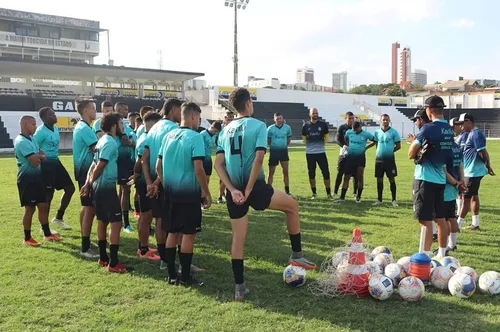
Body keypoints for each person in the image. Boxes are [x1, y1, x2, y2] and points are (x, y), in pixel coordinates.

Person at [215, 88, 316, 301]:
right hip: (256, 187)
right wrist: (250, 189)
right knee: (292, 206)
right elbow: (259, 158)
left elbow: (218, 164)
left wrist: (233, 190)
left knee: (238, 238)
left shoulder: (225, 130)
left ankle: (239, 288)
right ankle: (296, 254)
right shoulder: (259, 125)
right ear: (249, 103)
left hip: (234, 190)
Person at [157, 102, 211, 286]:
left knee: (172, 232)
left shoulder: (168, 136)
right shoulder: (195, 138)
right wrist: (205, 191)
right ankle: (186, 276)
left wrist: (167, 185)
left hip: (170, 194)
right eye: (199, 118)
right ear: (194, 116)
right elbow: (199, 169)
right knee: (188, 234)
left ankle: (172, 275)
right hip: (188, 195)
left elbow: (158, 167)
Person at [80, 112, 133, 273]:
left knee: (102, 221)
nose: (123, 127)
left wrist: (89, 183)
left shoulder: (102, 140)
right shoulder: (109, 142)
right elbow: (100, 165)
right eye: (121, 124)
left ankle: (103, 258)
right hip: (106, 189)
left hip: (98, 187)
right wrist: (88, 183)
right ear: (113, 126)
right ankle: (114, 263)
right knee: (115, 224)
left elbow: (93, 165)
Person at [408, 96, 454, 259]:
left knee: (425, 220)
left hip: (425, 178)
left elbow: (411, 153)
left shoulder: (428, 128)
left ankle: (424, 257)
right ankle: (441, 255)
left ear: (429, 110)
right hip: (441, 179)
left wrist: (417, 151)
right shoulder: (449, 129)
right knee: (440, 218)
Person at [142, 98, 182, 268]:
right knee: (175, 223)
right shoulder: (173, 129)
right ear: (173, 110)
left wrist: (150, 182)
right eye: (181, 110)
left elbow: (144, 159)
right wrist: (158, 182)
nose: (182, 114)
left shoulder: (152, 129)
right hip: (168, 182)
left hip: (154, 181)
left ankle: (164, 260)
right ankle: (178, 259)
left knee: (159, 220)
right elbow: (167, 160)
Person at [15, 116, 62, 246]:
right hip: (26, 179)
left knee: (43, 205)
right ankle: (27, 237)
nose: (36, 127)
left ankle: (47, 234)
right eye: (33, 124)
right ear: (24, 125)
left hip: (36, 178)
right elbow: (35, 162)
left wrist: (39, 156)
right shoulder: (21, 141)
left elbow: (42, 155)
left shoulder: (32, 139)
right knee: (29, 209)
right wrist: (40, 157)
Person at [33, 107, 75, 231]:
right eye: (51, 115)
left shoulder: (55, 129)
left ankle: (58, 218)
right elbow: (33, 146)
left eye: (54, 113)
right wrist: (41, 158)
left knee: (70, 188)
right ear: (44, 118)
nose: (54, 116)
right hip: (46, 165)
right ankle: (44, 227)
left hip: (56, 162)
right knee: (48, 195)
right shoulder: (40, 131)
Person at [130, 111, 162, 261]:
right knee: (146, 216)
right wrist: (137, 175)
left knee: (146, 216)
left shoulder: (145, 136)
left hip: (144, 181)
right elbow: (139, 162)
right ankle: (143, 249)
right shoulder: (146, 139)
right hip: (145, 182)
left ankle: (143, 247)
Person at [455, 113, 495, 231]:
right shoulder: (471, 134)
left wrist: (487, 165)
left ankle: (457, 225)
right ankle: (475, 223)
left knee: (466, 198)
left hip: (472, 171)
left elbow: (482, 152)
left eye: (462, 124)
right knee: (473, 196)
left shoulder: (475, 134)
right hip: (472, 170)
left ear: (468, 122)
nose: (461, 127)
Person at [73, 99, 99, 258]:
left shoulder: (83, 127)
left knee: (86, 206)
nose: (95, 111)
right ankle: (85, 247)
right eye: (93, 108)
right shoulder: (84, 128)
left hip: (83, 171)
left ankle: (86, 239)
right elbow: (98, 148)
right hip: (86, 172)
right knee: (90, 208)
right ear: (86, 111)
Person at [408, 108, 438, 240]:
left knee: (423, 214)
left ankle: (426, 244)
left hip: (425, 176)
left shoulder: (424, 131)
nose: (415, 123)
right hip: (439, 177)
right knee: (436, 211)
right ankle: (434, 233)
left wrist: (413, 143)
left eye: (416, 120)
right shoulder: (439, 130)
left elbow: (412, 155)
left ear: (421, 119)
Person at [335, 120, 374, 203]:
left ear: (360, 127)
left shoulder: (366, 134)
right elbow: (345, 138)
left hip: (360, 158)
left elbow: (374, 140)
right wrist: (350, 146)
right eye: (353, 129)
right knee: (346, 177)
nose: (354, 131)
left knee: (360, 177)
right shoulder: (349, 132)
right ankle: (342, 197)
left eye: (356, 130)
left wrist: (366, 148)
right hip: (350, 157)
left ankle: (358, 196)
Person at [439, 141, 464, 255]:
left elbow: (443, 171)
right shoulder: (456, 147)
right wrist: (461, 182)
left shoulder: (444, 148)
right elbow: (460, 166)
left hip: (447, 186)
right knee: (451, 217)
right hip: (454, 185)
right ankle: (452, 244)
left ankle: (443, 249)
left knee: (442, 220)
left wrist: (455, 183)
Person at [115, 102, 137, 233]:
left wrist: (131, 143)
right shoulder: (116, 127)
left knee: (124, 190)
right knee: (125, 189)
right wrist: (130, 143)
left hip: (128, 161)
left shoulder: (127, 128)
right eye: (125, 109)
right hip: (120, 162)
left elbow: (132, 143)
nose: (127, 112)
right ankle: (125, 223)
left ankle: (121, 218)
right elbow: (125, 142)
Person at [301, 108, 332, 199]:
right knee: (311, 173)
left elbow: (326, 137)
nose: (315, 114)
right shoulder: (305, 125)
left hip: (321, 152)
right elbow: (304, 138)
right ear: (310, 114)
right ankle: (314, 194)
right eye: (313, 113)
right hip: (310, 153)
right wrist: (311, 147)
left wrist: (321, 145)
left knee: (326, 172)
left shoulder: (323, 125)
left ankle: (329, 194)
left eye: (316, 113)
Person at [372, 114, 401, 206]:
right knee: (379, 179)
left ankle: (394, 200)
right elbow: (376, 144)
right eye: (383, 120)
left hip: (389, 160)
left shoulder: (394, 132)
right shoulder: (376, 132)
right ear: (380, 121)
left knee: (391, 179)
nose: (385, 121)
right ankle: (379, 199)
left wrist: (390, 152)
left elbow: (398, 146)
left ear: (389, 120)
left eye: (387, 120)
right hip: (379, 160)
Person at [267, 112, 293, 195]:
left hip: (283, 152)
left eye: (280, 118)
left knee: (285, 171)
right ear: (274, 119)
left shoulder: (287, 128)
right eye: (277, 118)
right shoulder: (270, 129)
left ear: (283, 118)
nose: (279, 120)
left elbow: (288, 140)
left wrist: (283, 146)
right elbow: (268, 141)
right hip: (274, 152)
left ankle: (287, 190)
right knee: (271, 172)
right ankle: (268, 190)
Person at [334, 112, 357, 197]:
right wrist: (344, 146)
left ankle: (355, 192)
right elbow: (338, 139)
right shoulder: (342, 127)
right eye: (349, 118)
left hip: (354, 153)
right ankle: (335, 191)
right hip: (343, 152)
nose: (351, 120)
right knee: (340, 172)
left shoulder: (356, 128)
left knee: (355, 173)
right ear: (345, 118)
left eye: (352, 118)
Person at [217, 112, 234, 204]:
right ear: (224, 118)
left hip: (232, 156)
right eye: (228, 118)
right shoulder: (221, 130)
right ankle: (220, 195)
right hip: (223, 155)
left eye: (232, 118)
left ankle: (227, 194)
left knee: (230, 176)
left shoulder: (235, 128)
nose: (230, 120)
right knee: (223, 177)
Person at [200, 120, 222, 186]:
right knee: (201, 178)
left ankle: (206, 193)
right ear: (211, 127)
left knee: (208, 177)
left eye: (216, 132)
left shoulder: (214, 135)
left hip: (209, 159)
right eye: (215, 131)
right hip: (202, 159)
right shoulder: (202, 134)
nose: (215, 133)